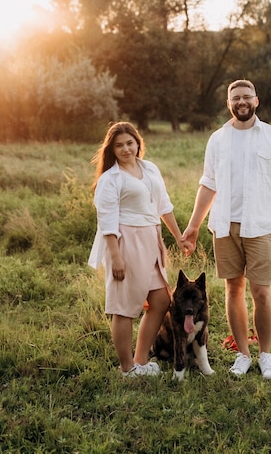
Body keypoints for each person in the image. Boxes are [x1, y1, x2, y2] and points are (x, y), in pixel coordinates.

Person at [182, 79, 271, 379]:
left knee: (261, 291)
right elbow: (208, 184)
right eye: (236, 98)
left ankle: (266, 356)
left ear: (256, 101)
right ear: (228, 103)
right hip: (225, 225)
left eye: (247, 97)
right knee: (233, 290)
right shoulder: (217, 139)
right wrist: (194, 226)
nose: (242, 102)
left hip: (259, 225)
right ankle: (243, 354)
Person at [88, 121, 194, 377]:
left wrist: (178, 237)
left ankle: (141, 360)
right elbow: (107, 220)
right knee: (124, 307)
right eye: (119, 145)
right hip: (126, 242)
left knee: (160, 300)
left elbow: (164, 206)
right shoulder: (111, 178)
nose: (126, 149)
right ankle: (127, 368)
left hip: (151, 238)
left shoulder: (150, 169)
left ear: (138, 143)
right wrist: (116, 257)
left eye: (129, 143)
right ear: (111, 149)